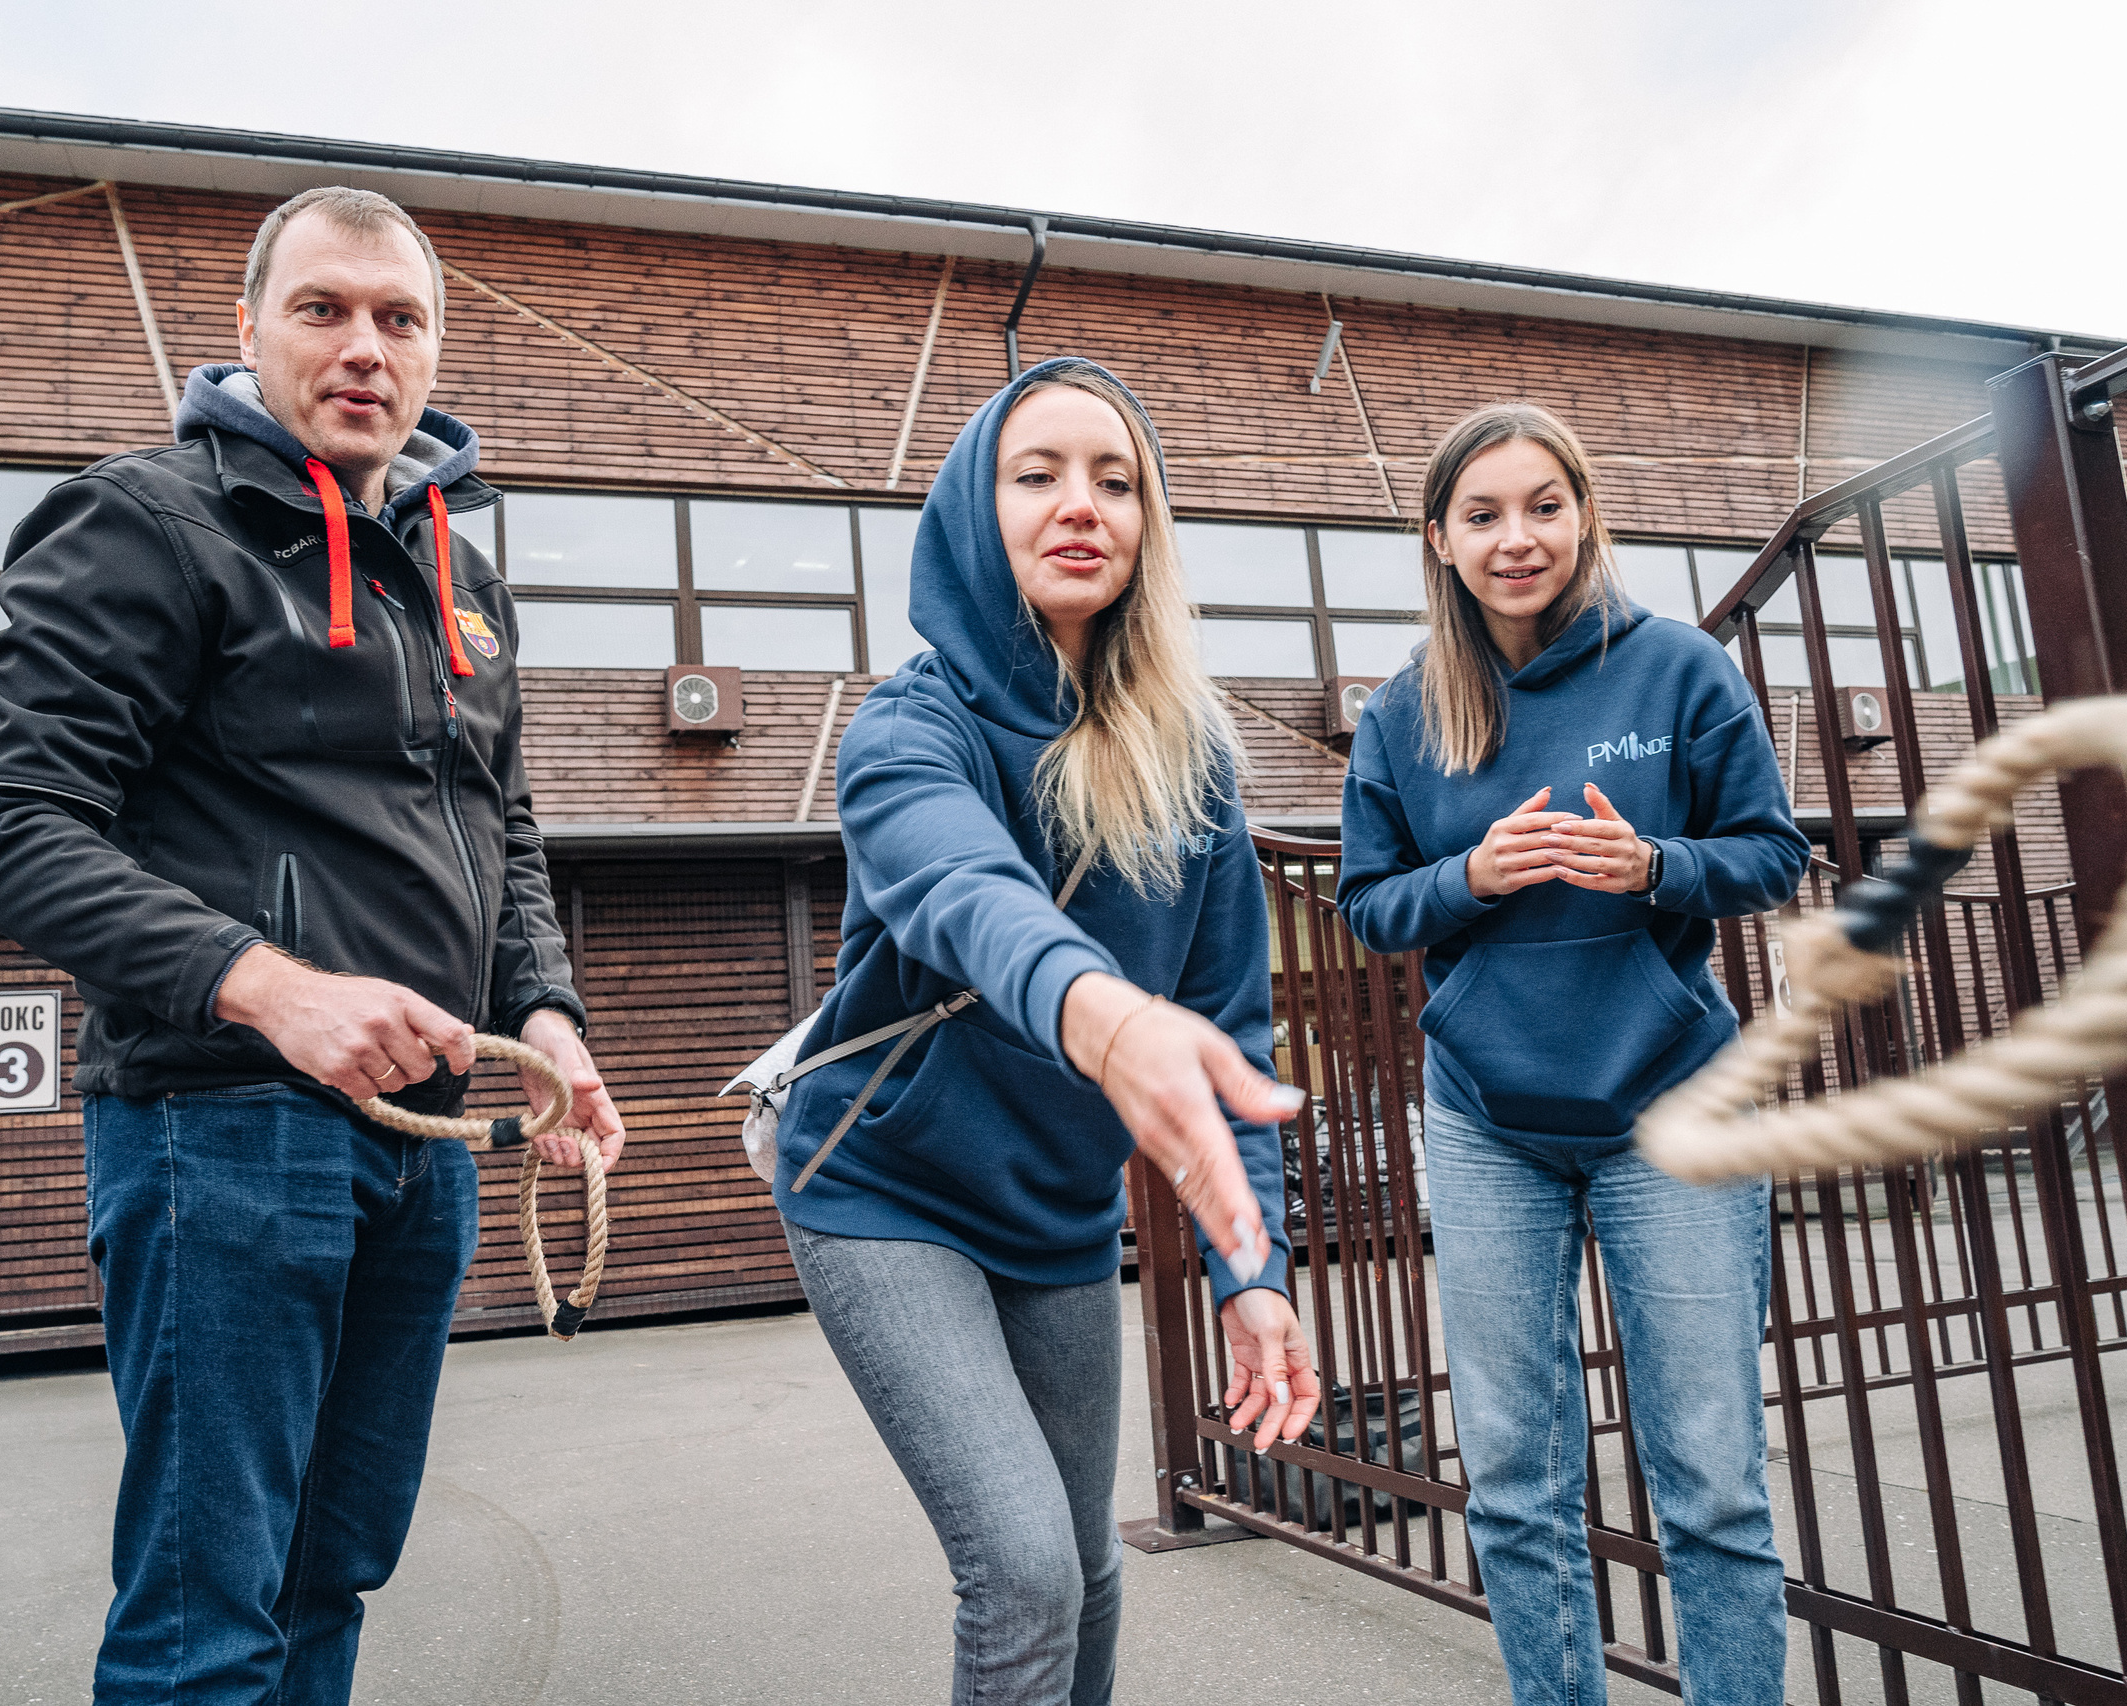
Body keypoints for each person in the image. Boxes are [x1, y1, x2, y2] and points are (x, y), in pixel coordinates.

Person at [0, 185, 625, 1706]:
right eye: (323, 309)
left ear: (438, 349)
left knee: (336, 1567)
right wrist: (274, 990)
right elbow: (2, 826)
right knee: (210, 1609)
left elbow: (501, 830)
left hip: (423, 1136)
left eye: (400, 317)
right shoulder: (146, 521)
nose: (364, 346)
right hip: (221, 1127)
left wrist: (548, 1014)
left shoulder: (461, 573)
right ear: (246, 330)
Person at [772, 357, 1317, 1706]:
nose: (1081, 505)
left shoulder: (1192, 762)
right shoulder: (912, 724)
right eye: (1038, 474)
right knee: (1018, 1567)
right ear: (977, 509)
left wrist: (1254, 1269)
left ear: (1150, 524)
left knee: (1087, 1571)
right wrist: (1108, 1015)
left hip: (1056, 1218)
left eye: (1115, 479)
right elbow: (966, 894)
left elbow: (1235, 1032)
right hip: (883, 1191)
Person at [1335, 402, 1807, 1706]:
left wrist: (1662, 866)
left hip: (1673, 1111)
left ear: (1585, 512)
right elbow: (1367, 903)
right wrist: (1469, 878)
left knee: (1709, 1479)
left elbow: (1775, 852)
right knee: (1517, 1478)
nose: (1516, 536)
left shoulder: (1679, 671)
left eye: (1543, 503)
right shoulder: (1402, 711)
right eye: (1481, 513)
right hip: (1487, 1118)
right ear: (1438, 538)